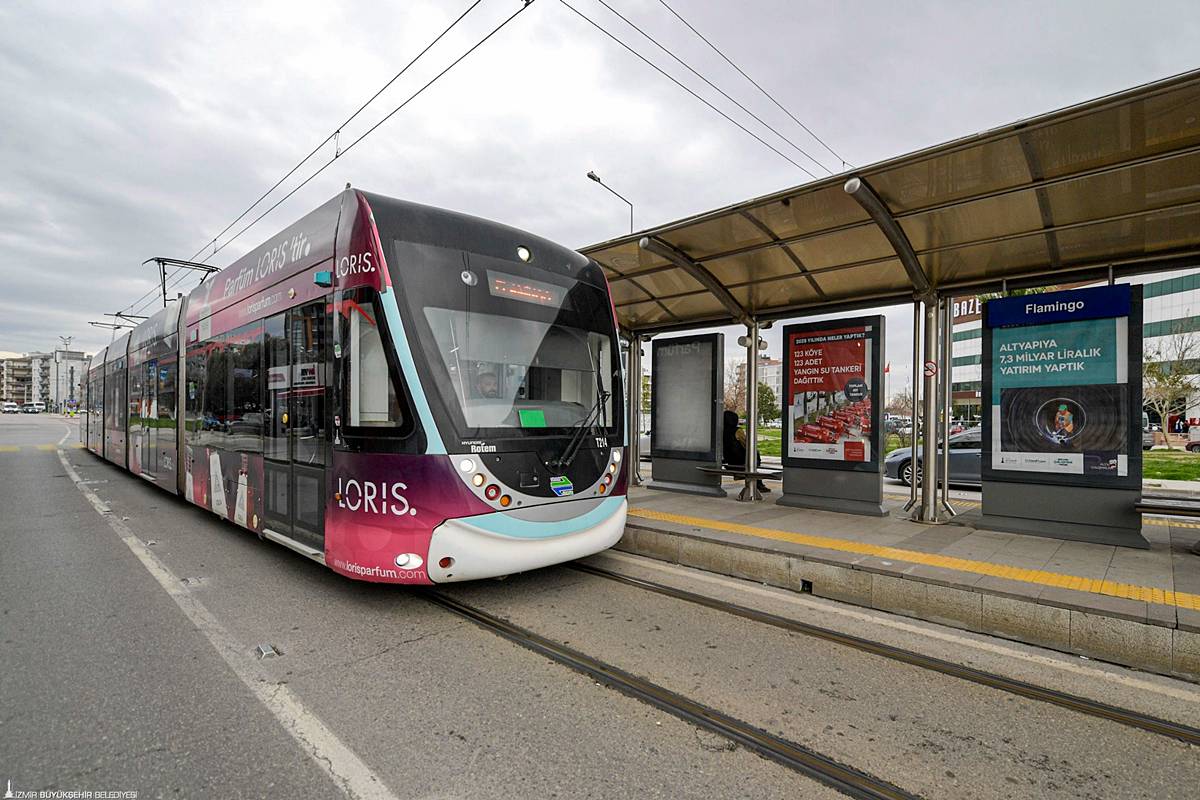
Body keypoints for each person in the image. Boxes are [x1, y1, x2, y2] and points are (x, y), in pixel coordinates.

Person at [722, 409, 769, 493]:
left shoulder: (721, 431)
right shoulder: (737, 431)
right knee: (754, 456)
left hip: (729, 461)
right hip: (740, 460)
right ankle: (759, 485)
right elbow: (747, 444)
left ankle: (758, 484)